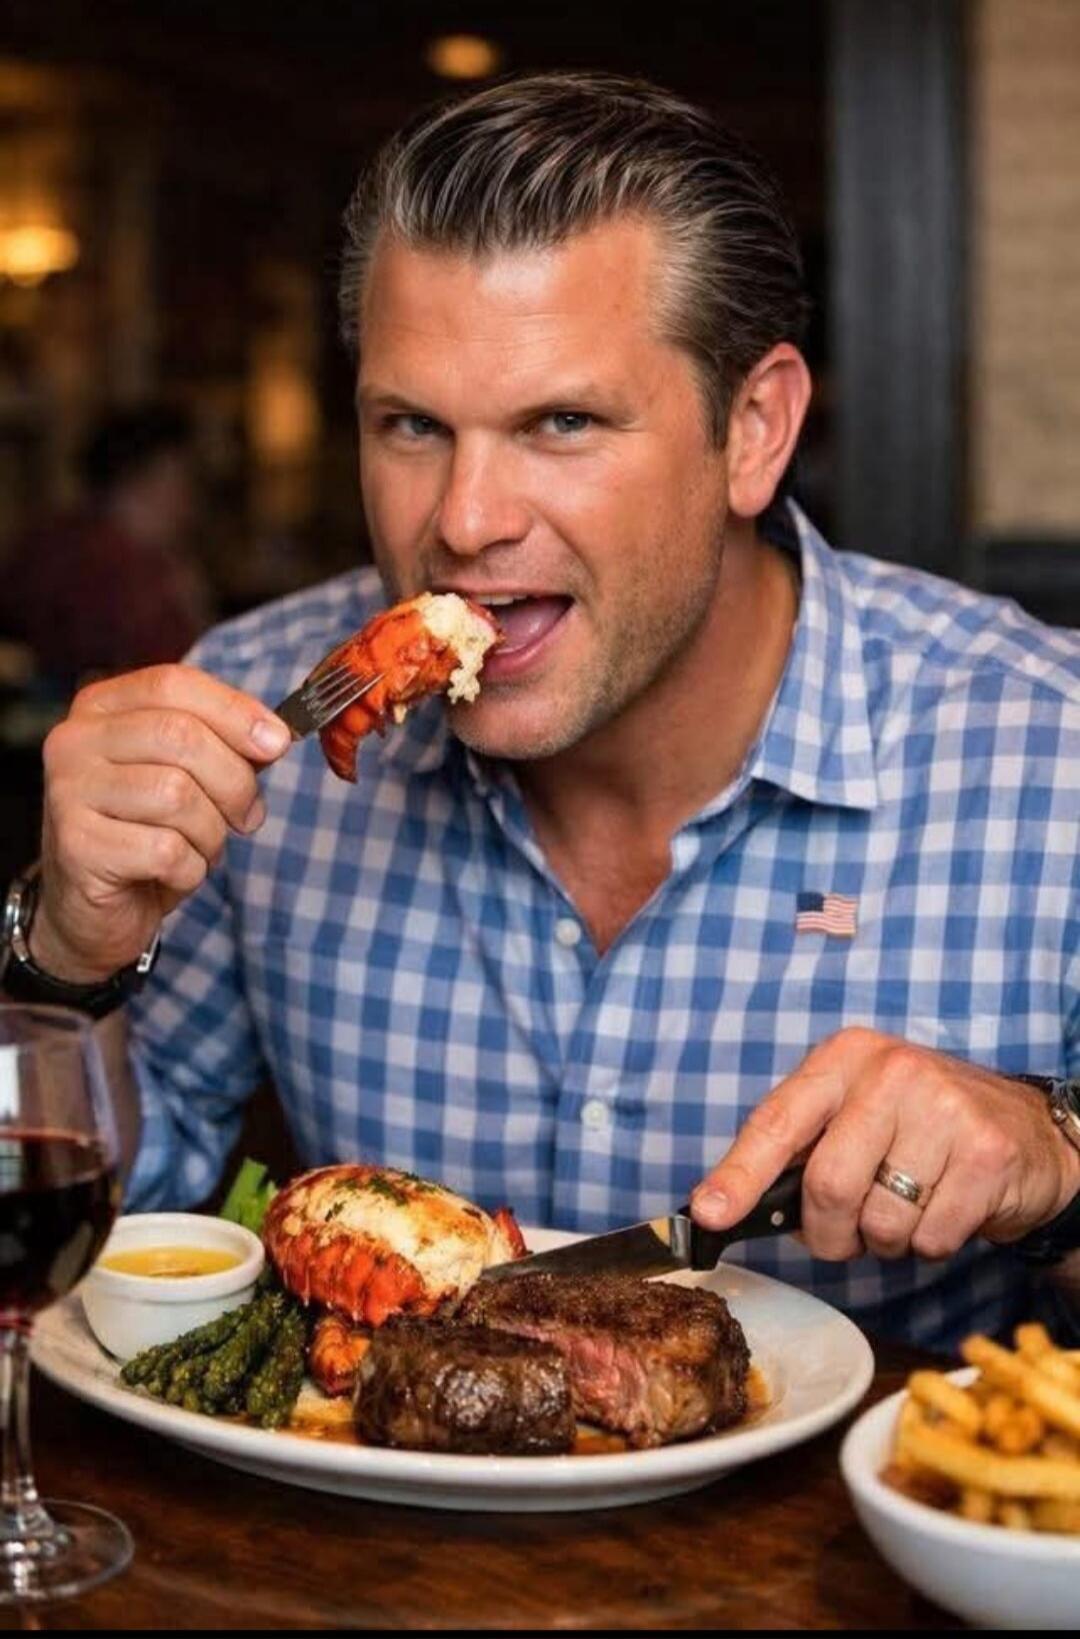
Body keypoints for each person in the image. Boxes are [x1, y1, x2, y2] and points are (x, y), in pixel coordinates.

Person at [2, 73, 1078, 1351]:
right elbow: (113, 1240)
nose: (462, 522)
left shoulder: (1045, 752)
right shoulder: (255, 720)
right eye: (411, 424)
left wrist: (1059, 1162)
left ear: (754, 428)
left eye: (561, 421)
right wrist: (63, 955)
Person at [0, 404, 211, 691]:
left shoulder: (50, 541)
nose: (190, 502)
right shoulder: (109, 567)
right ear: (142, 479)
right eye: (182, 480)